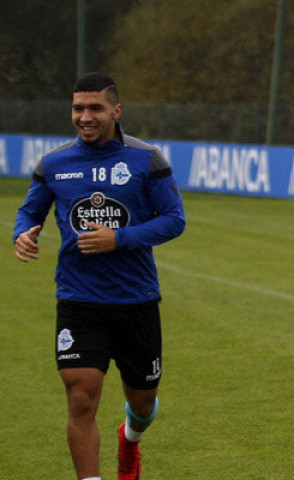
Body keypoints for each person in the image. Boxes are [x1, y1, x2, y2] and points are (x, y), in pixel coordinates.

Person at [13, 72, 186, 480]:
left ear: (116, 111)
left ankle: (130, 440)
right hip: (78, 299)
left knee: (143, 402)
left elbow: (174, 221)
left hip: (136, 299)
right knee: (80, 398)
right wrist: (23, 232)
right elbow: (28, 210)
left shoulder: (146, 160)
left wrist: (120, 238)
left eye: (95, 108)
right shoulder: (53, 164)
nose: (85, 117)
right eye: (78, 108)